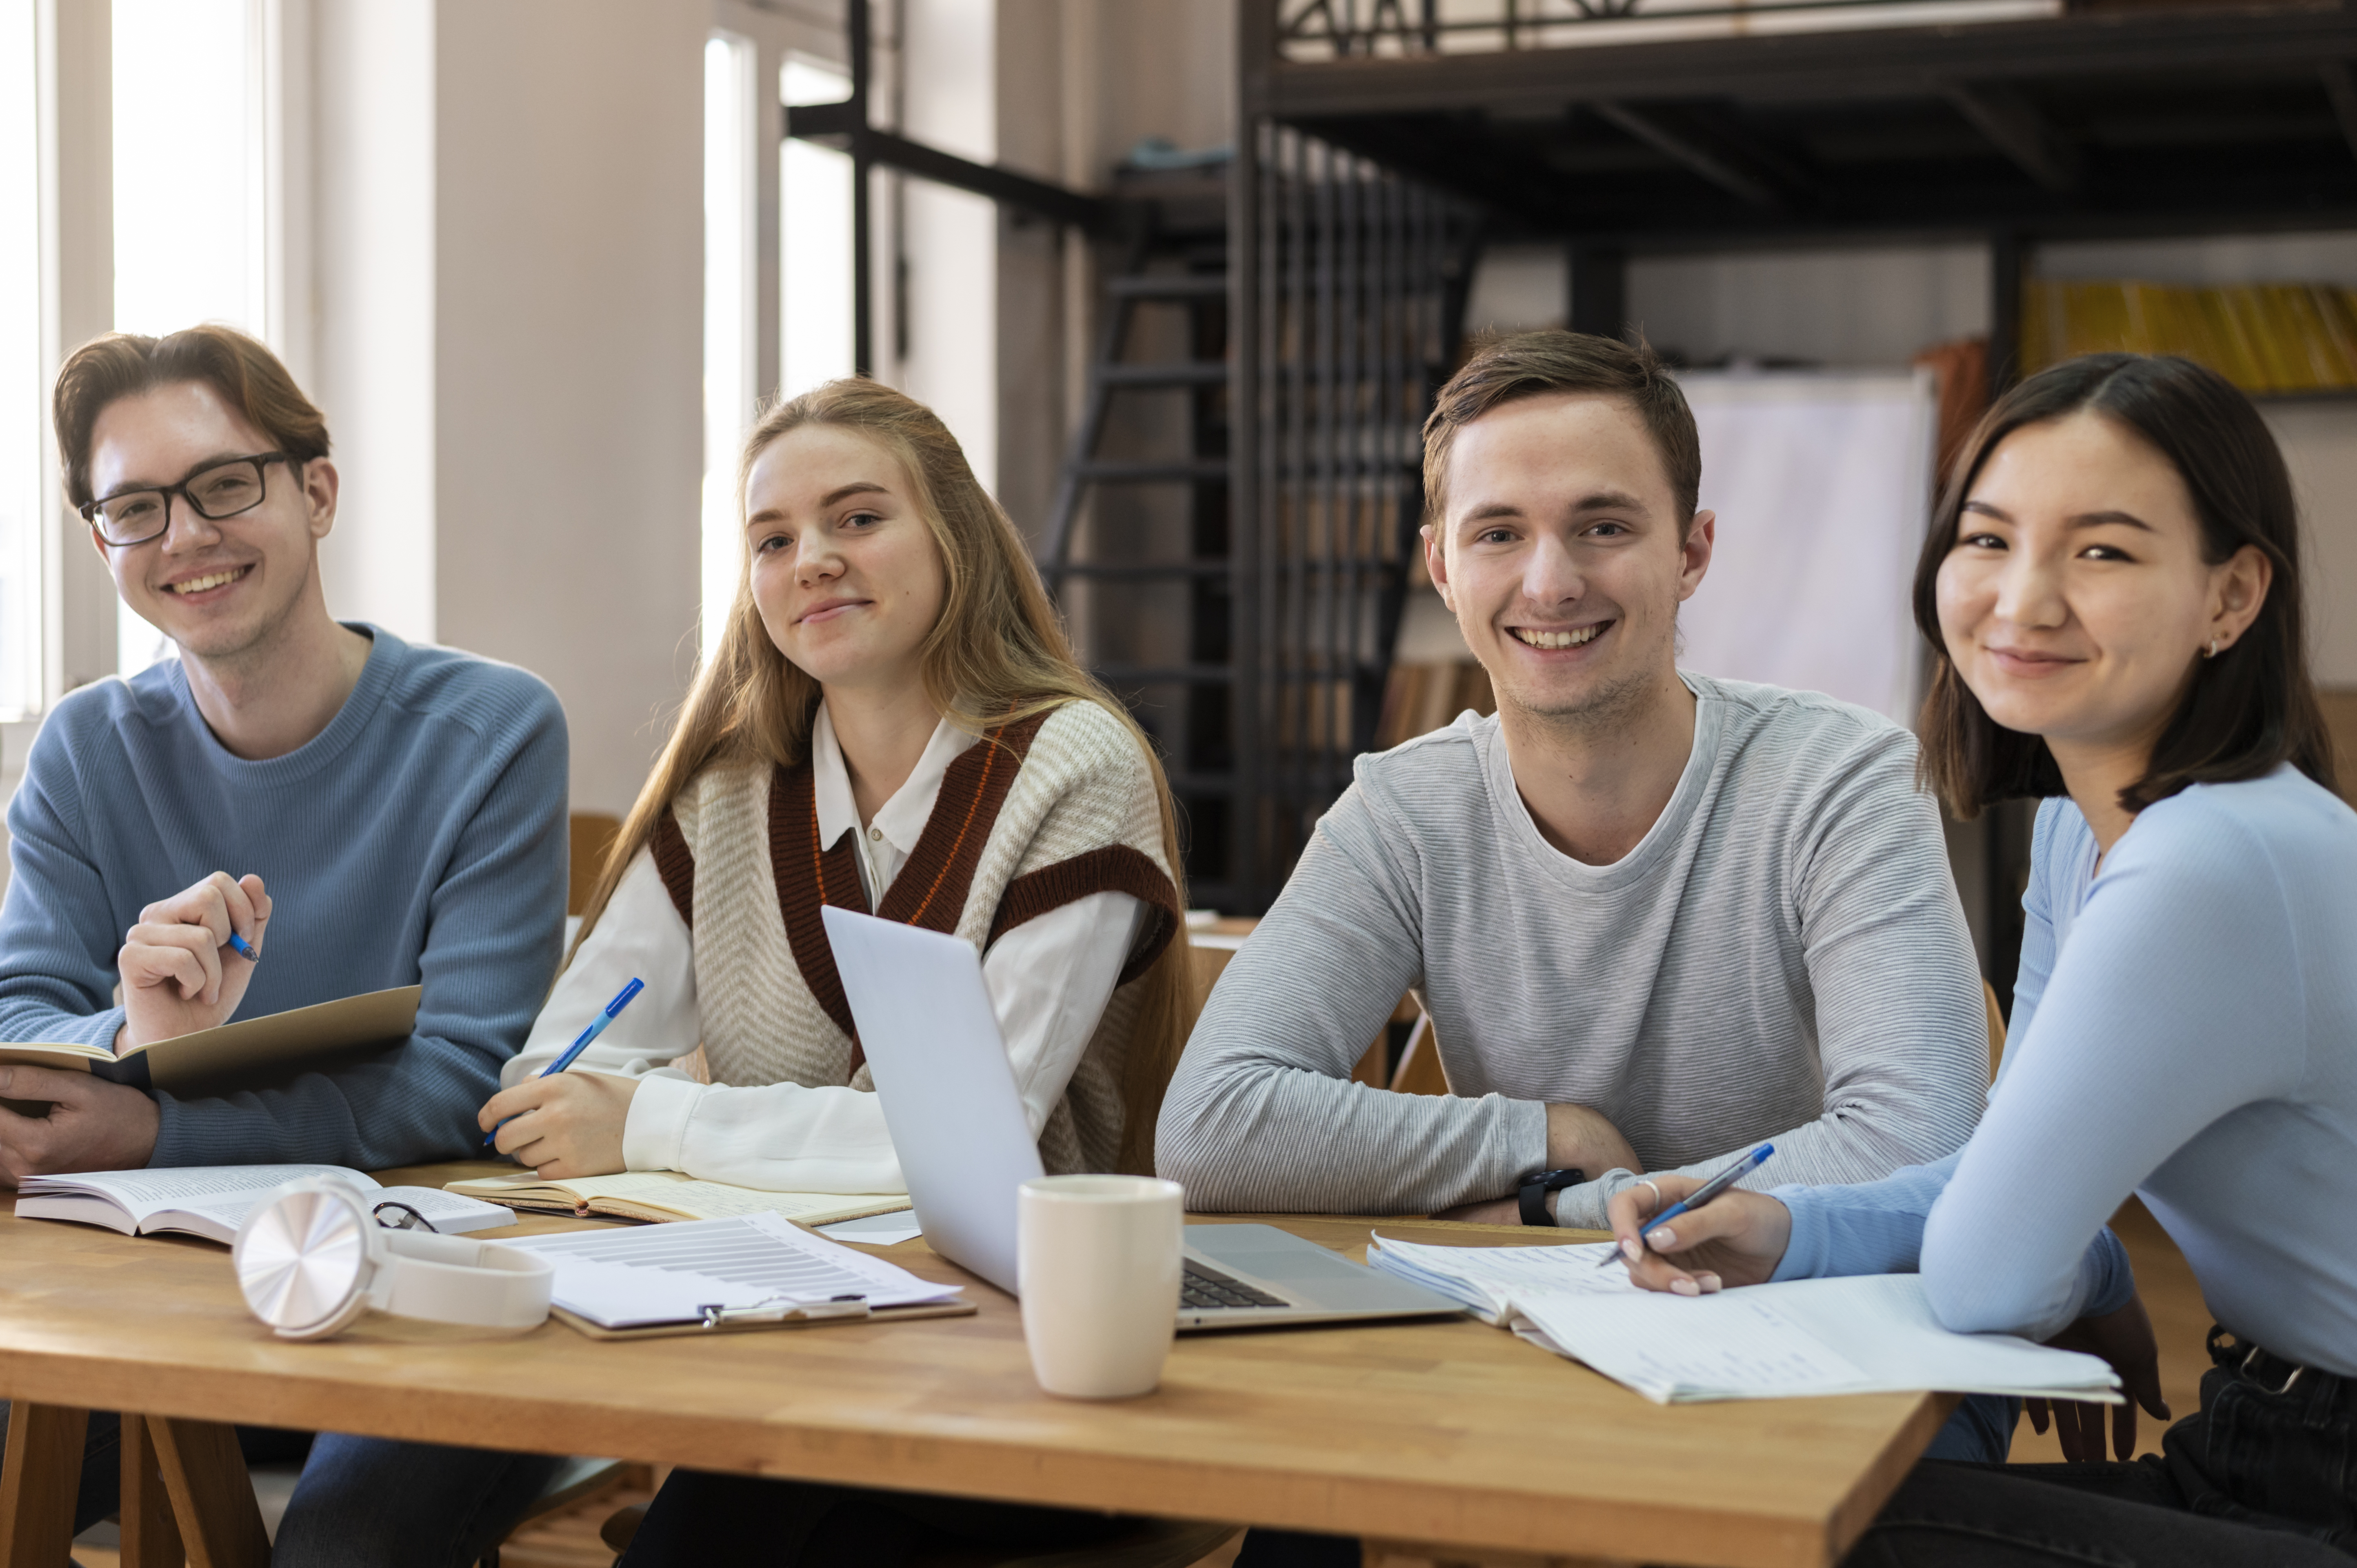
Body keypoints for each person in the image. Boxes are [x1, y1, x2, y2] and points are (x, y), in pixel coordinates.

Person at [1602, 353, 2357, 1566]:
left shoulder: (2210, 862)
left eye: (2103, 551)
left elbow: (1986, 1273)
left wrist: (2061, 1256)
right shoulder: (2082, 829)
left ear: (2233, 596)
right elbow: (2000, 1175)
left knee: (1798, 1529)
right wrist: (1784, 1225)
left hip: (2331, 1469)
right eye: (1989, 540)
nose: (2024, 600)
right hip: (2265, 1433)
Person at [496, 378, 1190, 1568]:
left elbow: (973, 1145)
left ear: (955, 540)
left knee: (742, 1522)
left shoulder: (1076, 767)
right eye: (773, 539)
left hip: (1025, 1367)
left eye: (858, 518)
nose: (811, 558)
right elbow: (557, 1082)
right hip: (768, 1345)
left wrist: (657, 1115)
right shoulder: (726, 793)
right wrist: (605, 1107)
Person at [1159, 329, 1988, 1239]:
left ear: (1690, 553)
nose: (1549, 584)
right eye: (1499, 533)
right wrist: (1543, 1133)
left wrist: (1557, 1204)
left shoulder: (1841, 782)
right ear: (1442, 567)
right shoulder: (1402, 814)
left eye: (1603, 527)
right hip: (1527, 1350)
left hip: (1807, 1338)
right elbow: (1209, 1126)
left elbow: (1919, 1146)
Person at [0, 325, 572, 1566]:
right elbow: (22, 1026)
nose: (184, 537)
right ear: (101, 542)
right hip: (151, 1295)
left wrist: (162, 1118)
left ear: (315, 491)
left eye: (222, 485)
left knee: (348, 1548)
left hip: (418, 1293)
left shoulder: (490, 731)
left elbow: (461, 1080)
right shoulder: (83, 748)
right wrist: (138, 1039)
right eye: (134, 508)